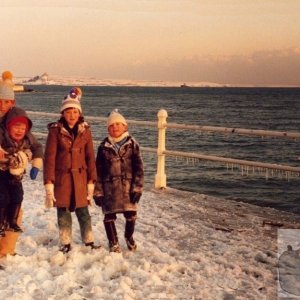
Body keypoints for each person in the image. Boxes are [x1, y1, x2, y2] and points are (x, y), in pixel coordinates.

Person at [43, 87, 99, 253]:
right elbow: (50, 158)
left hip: (81, 179)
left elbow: (90, 157)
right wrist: (48, 182)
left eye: (75, 111)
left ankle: (89, 241)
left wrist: (92, 179)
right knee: (63, 213)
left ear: (79, 112)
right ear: (63, 114)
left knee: (84, 212)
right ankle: (65, 242)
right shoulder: (55, 131)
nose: (72, 115)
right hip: (62, 180)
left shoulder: (85, 131)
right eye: (68, 112)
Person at [94, 109, 144, 253]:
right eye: (111, 125)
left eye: (118, 124)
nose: (115, 127)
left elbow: (139, 168)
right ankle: (113, 242)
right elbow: (98, 170)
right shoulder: (103, 147)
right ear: (107, 128)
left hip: (128, 188)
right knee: (109, 216)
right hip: (110, 189)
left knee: (131, 215)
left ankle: (129, 236)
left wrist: (137, 188)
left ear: (125, 127)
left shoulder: (133, 144)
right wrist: (98, 192)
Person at [0, 107, 43, 236]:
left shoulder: (28, 138)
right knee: (3, 198)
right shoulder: (2, 134)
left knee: (18, 196)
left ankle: (13, 222)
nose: (20, 131)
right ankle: (1, 222)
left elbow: (38, 148)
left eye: (23, 128)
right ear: (9, 127)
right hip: (1, 172)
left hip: (16, 174)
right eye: (16, 127)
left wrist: (36, 164)